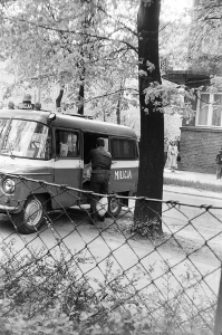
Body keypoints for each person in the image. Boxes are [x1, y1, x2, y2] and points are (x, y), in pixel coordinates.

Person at [85, 138, 112, 224]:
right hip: (106, 176)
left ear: (96, 145)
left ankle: (93, 217)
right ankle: (102, 216)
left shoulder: (93, 151)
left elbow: (86, 160)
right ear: (104, 145)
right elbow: (109, 166)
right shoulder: (109, 154)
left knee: (93, 195)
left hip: (96, 174)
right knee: (103, 196)